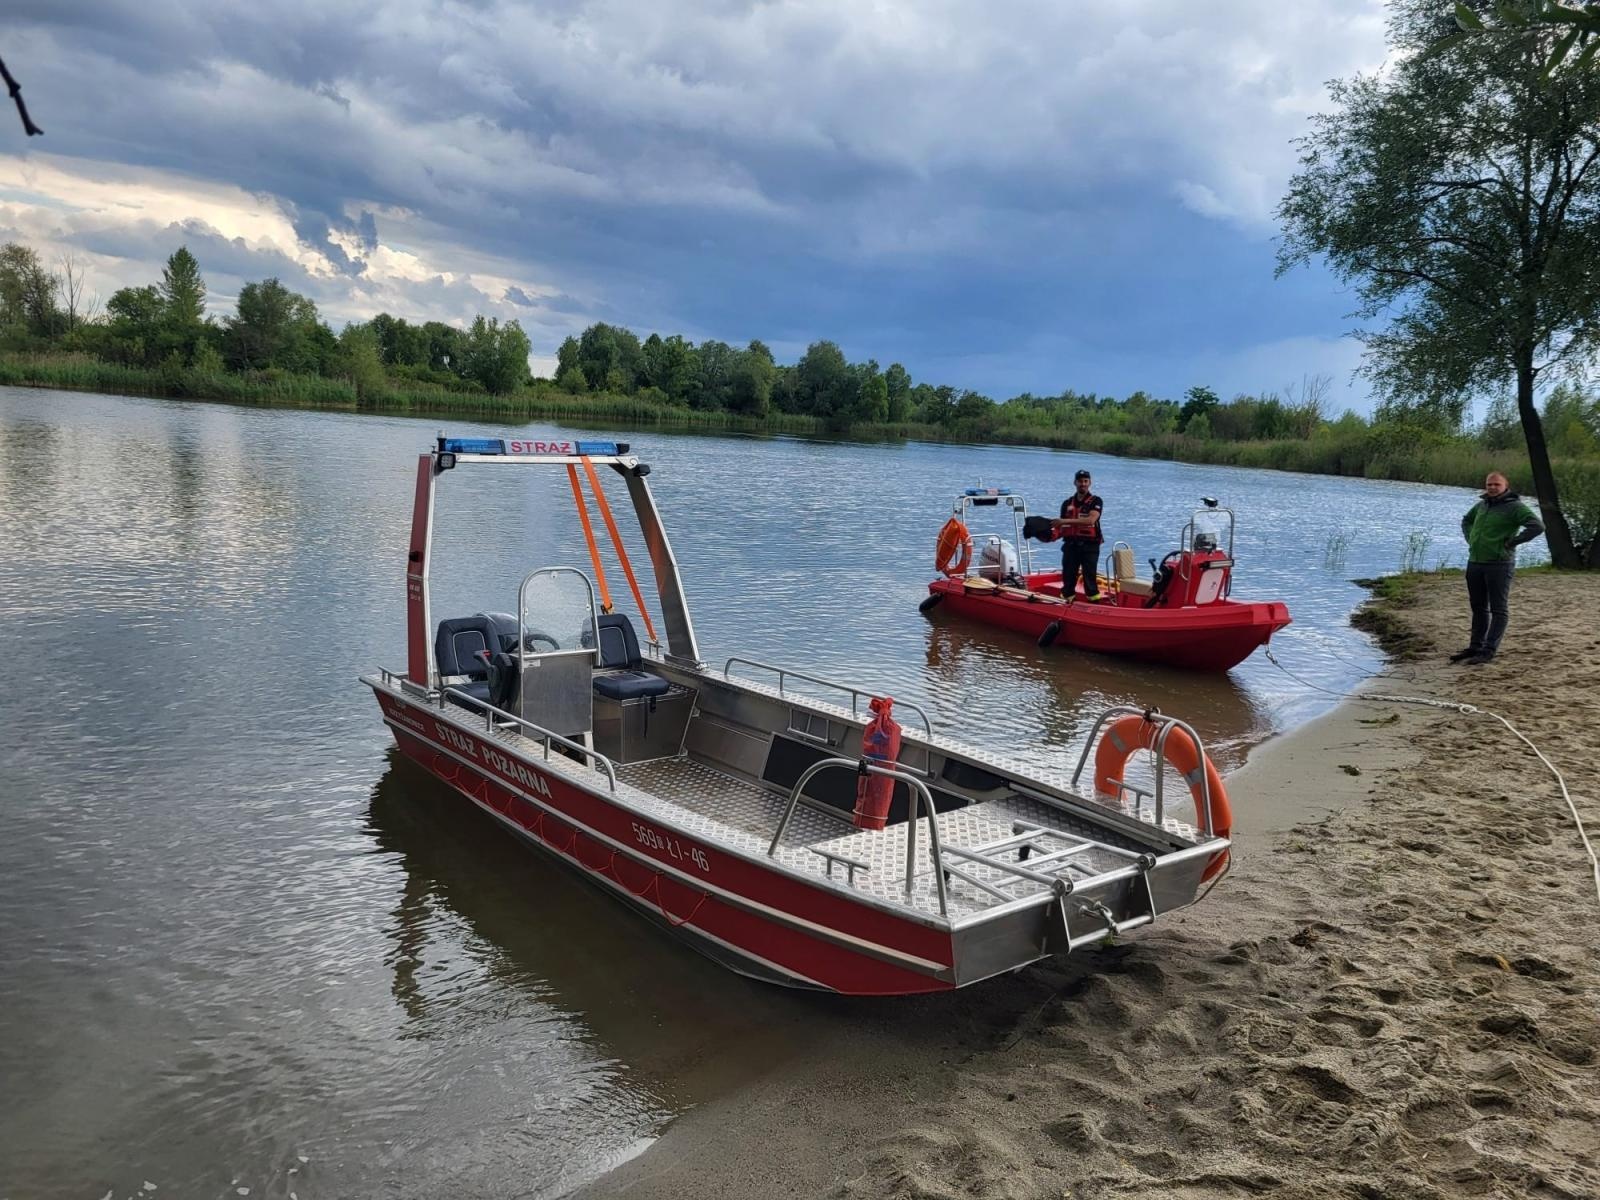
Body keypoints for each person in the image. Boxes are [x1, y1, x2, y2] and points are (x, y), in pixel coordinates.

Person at [1450, 471, 1543, 665]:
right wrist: (1470, 538)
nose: (1492, 487)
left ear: (1505, 486)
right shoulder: (1482, 505)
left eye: (1496, 485)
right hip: (1475, 562)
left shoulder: (1514, 507)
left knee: (1499, 609)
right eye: (1489, 484)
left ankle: (1489, 650)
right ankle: (1475, 646)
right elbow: (1466, 520)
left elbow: (1537, 526)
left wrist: (1512, 543)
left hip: (1499, 564)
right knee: (1478, 607)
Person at [1054, 468, 1103, 601]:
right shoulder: (1066, 503)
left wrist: (1065, 521)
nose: (1083, 484)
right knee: (1068, 578)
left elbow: (1091, 520)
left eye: (1085, 481)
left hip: (1090, 547)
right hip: (1071, 545)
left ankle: (1094, 607)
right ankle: (1067, 603)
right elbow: (1061, 526)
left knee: (1090, 579)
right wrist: (1048, 533)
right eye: (1080, 481)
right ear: (1075, 483)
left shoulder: (1096, 501)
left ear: (1090, 483)